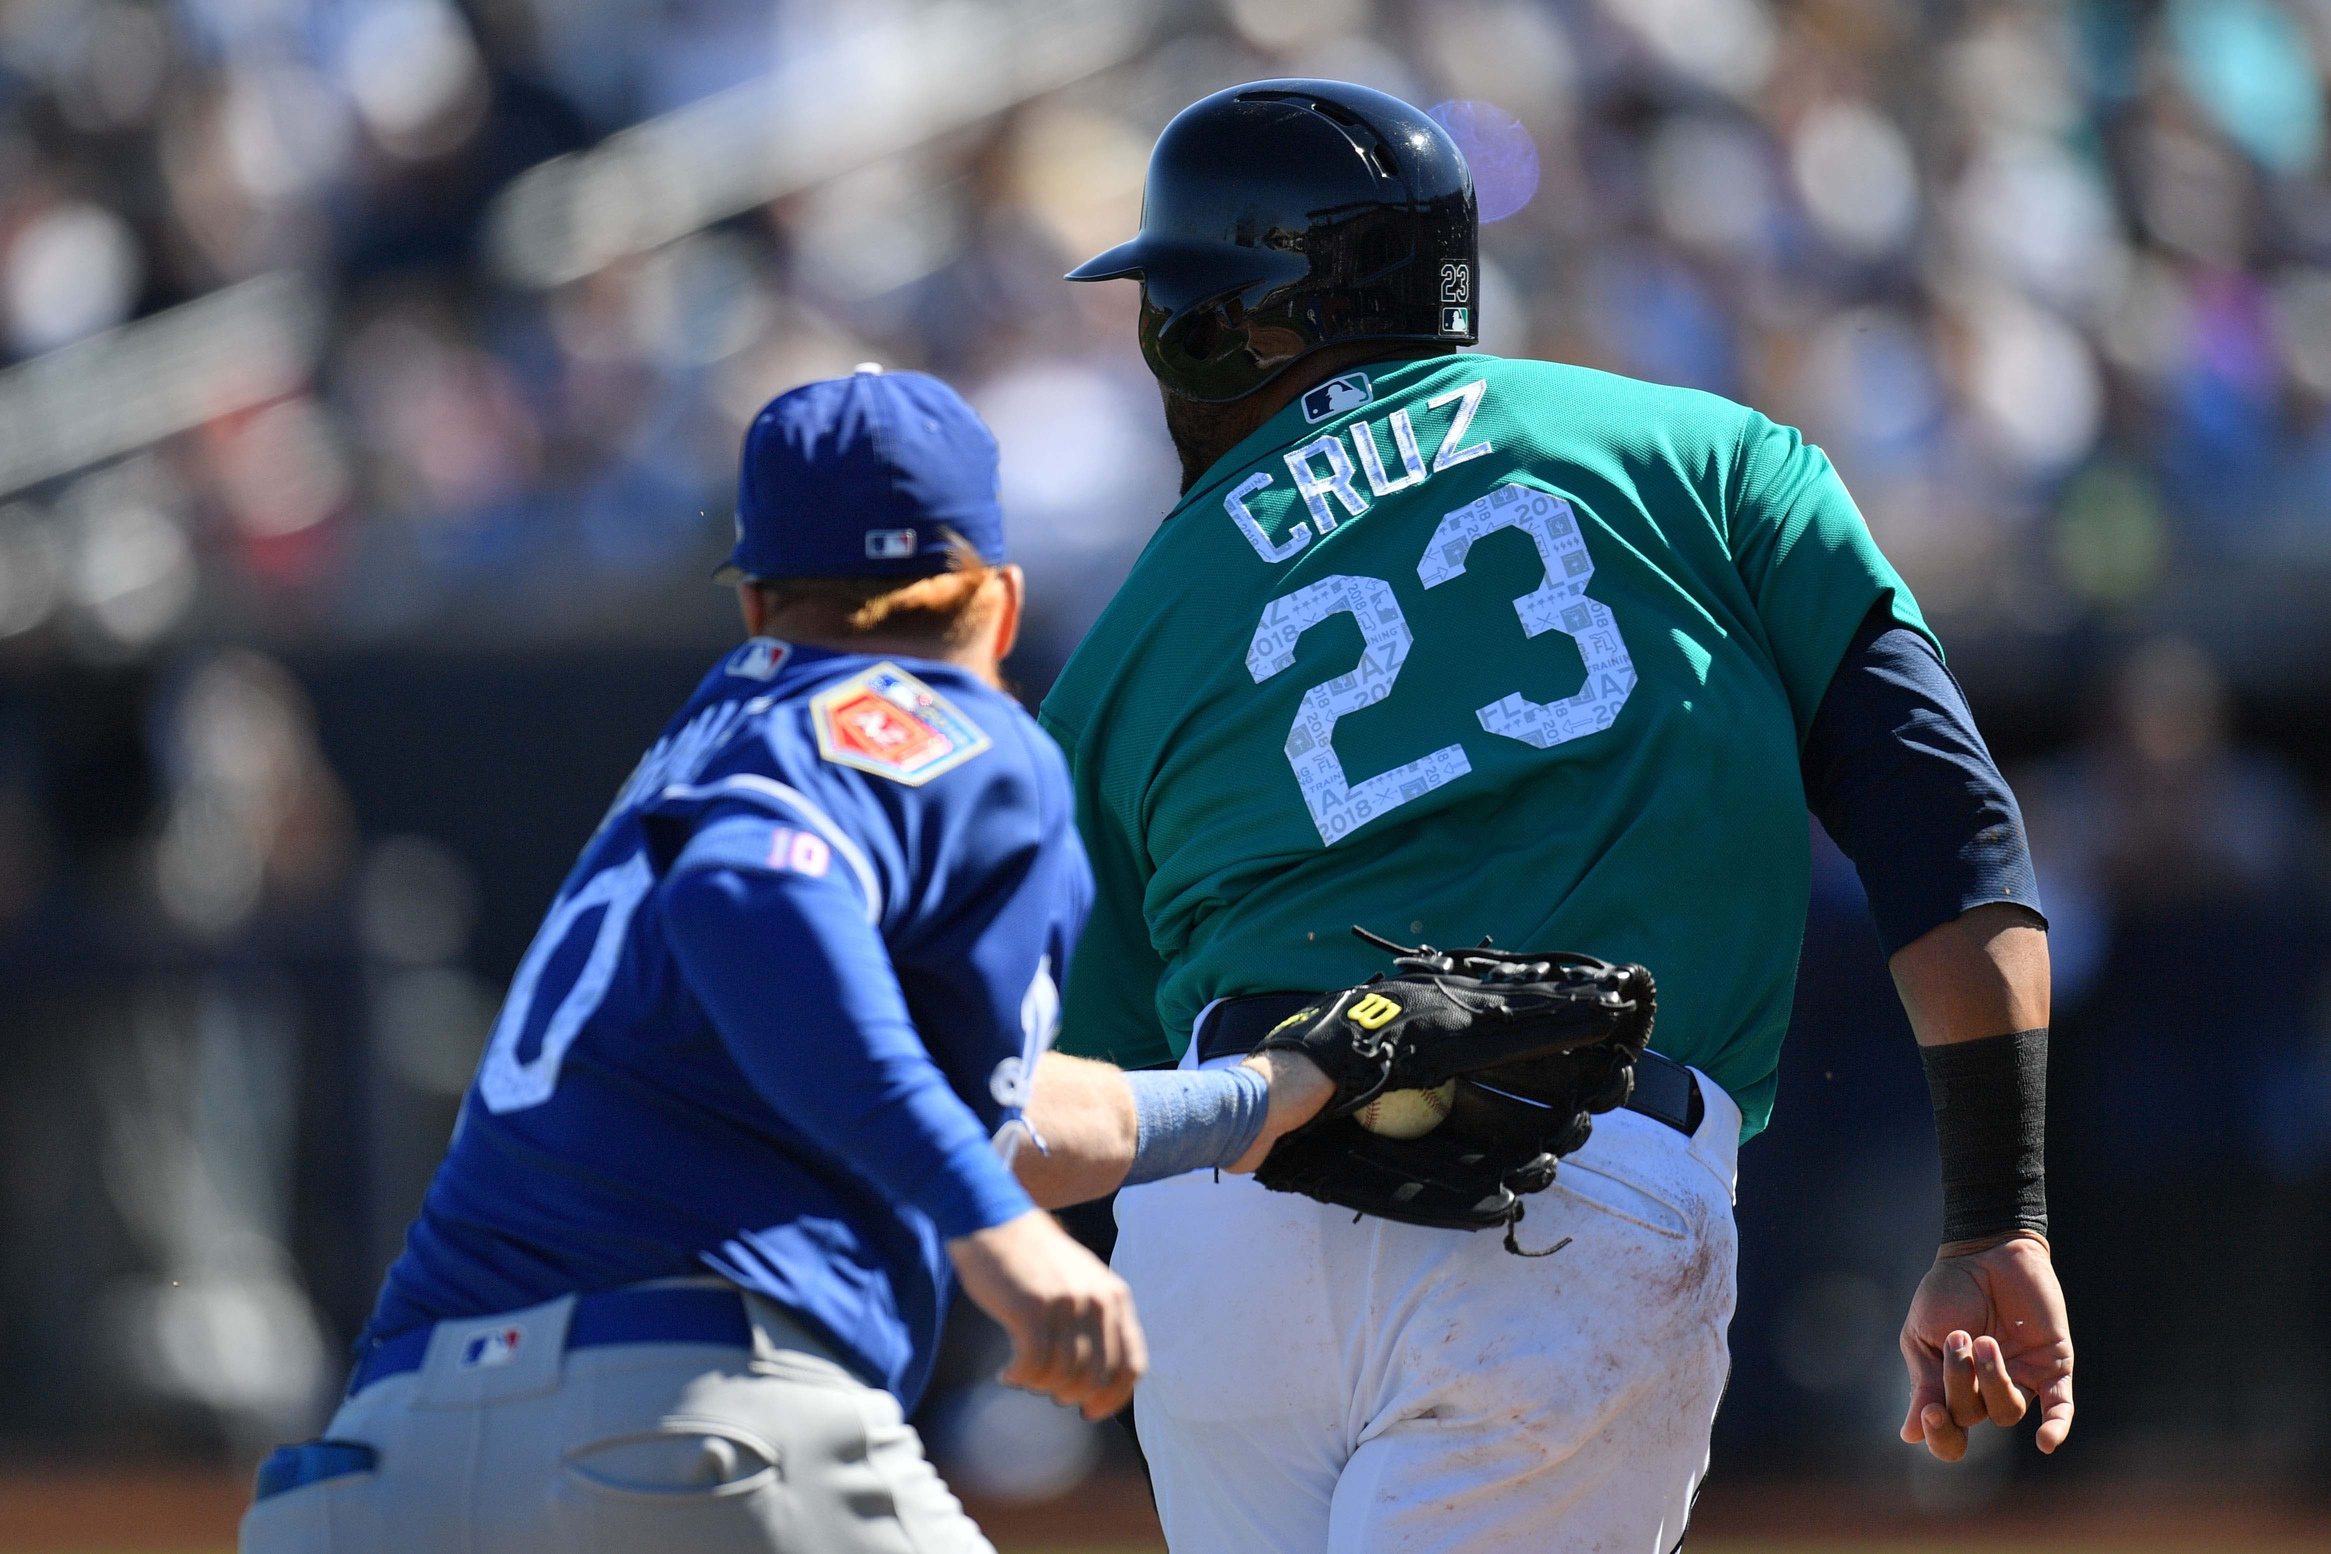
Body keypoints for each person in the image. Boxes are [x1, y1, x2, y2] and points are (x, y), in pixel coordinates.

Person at [1047, 80, 2074, 1552]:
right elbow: (1949, 833)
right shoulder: (1716, 461)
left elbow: (1071, 1078)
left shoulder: (1128, 630)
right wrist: (1996, 1212)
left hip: (1228, 1212)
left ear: (1230, 323)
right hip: (1569, 1185)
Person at [238, 366, 1332, 1554]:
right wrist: (1002, 1239)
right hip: (680, 1428)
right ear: (1002, 605)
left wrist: (1266, 1095)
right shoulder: (950, 728)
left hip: (390, 1459)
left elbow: (974, 1113)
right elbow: (750, 896)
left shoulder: (708, 743)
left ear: (757, 606)